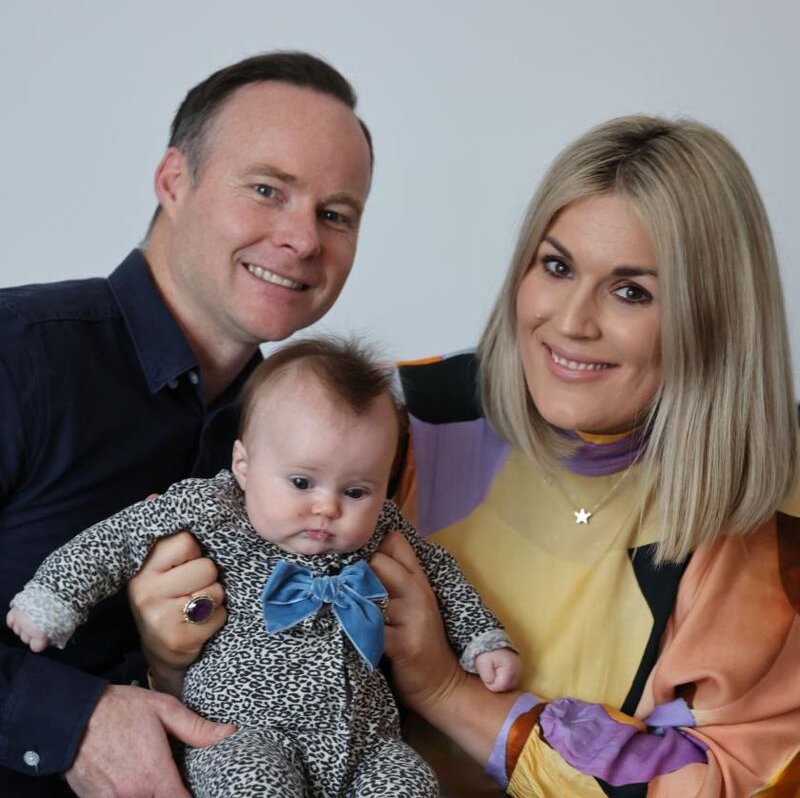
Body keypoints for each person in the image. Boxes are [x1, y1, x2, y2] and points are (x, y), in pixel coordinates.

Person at [134, 114, 800, 798]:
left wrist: (448, 689)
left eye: (632, 291)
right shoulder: (400, 419)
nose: (571, 321)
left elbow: (727, 781)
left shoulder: (773, 515)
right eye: (557, 265)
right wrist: (170, 656)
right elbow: (247, 684)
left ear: (711, 315)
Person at [0, 51, 373, 797]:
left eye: (335, 214)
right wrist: (78, 721)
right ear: (175, 181)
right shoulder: (18, 355)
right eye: (268, 190)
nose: (303, 238)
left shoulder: (325, 437)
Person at [8, 336, 521, 797]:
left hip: (364, 741)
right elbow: (118, 537)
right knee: (254, 783)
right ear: (245, 465)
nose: (327, 507)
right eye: (302, 482)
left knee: (409, 782)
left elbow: (441, 573)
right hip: (244, 730)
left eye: (356, 490)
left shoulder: (383, 527)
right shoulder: (213, 507)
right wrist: (55, 597)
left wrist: (482, 639)